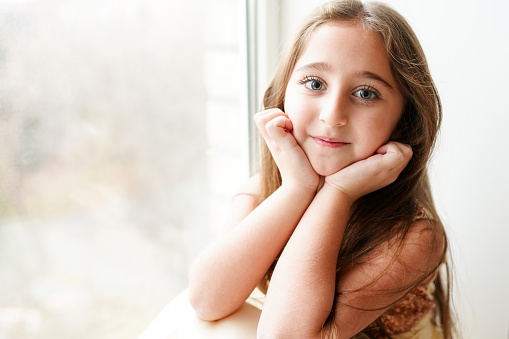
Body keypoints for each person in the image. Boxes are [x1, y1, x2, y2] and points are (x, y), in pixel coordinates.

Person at [187, 0, 454, 338]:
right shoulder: (263, 190)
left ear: (405, 121)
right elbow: (206, 300)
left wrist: (337, 193)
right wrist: (297, 189)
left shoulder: (415, 236)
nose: (332, 114)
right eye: (315, 83)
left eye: (365, 93)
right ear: (283, 93)